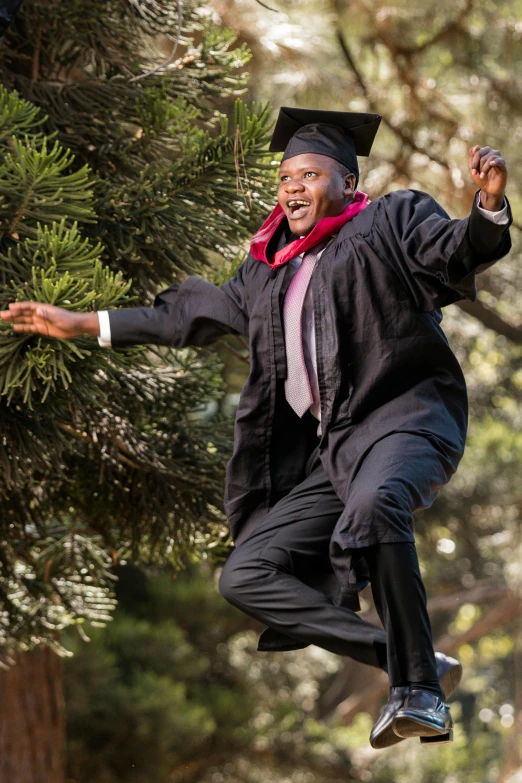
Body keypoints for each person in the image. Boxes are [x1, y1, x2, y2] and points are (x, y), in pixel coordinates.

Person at [1, 107, 511, 749]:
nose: (292, 188)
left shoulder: (389, 222)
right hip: (340, 451)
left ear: (349, 185)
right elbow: (184, 316)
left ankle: (419, 695)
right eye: (285, 178)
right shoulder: (265, 270)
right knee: (246, 574)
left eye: (309, 174)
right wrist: (82, 323)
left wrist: (487, 210)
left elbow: (455, 248)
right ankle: (409, 660)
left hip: (407, 419)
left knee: (380, 502)